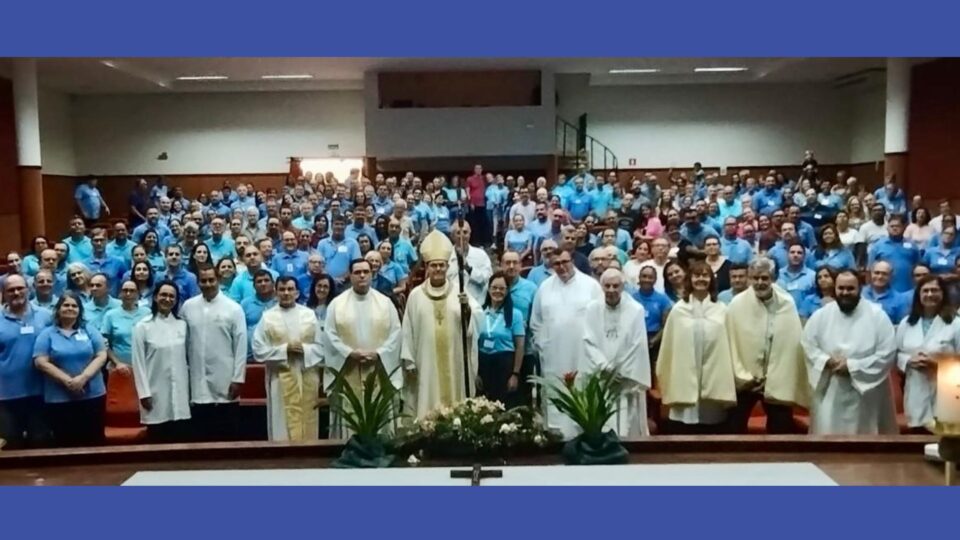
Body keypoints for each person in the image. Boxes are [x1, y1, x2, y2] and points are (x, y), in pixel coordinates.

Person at [801, 270, 898, 435]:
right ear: (835, 288)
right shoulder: (821, 315)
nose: (845, 293)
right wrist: (827, 361)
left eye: (850, 288)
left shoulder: (878, 316)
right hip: (831, 386)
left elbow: (887, 352)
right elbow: (808, 344)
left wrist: (852, 366)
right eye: (841, 288)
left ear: (860, 288)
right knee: (828, 434)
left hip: (867, 393)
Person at [401, 231, 483, 421]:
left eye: (441, 265)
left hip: (455, 360)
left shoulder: (460, 292)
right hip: (425, 362)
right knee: (427, 400)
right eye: (433, 265)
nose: (438, 269)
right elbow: (408, 329)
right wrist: (409, 360)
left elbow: (473, 324)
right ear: (427, 268)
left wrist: (467, 311)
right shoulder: (416, 295)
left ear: (447, 267)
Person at [725, 257, 809, 434]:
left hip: (777, 379)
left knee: (782, 428)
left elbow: (791, 344)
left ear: (773, 279)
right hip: (745, 380)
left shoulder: (786, 303)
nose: (760, 282)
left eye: (765, 278)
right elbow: (731, 343)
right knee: (733, 427)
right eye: (755, 278)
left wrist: (773, 376)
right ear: (749, 279)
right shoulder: (736, 304)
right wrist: (745, 377)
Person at [529, 246, 603, 438]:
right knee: (555, 399)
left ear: (572, 261)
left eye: (564, 262)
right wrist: (542, 345)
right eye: (556, 264)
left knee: (582, 396)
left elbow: (601, 320)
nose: (561, 267)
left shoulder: (591, 286)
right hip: (553, 356)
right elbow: (536, 322)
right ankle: (556, 439)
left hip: (583, 356)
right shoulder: (544, 288)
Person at [324, 258, 403, 437]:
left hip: (378, 369)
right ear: (350, 276)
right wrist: (349, 353)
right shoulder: (337, 304)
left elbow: (396, 334)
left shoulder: (385, 303)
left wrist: (379, 353)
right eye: (357, 272)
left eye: (365, 272)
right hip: (348, 369)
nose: (362, 276)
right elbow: (329, 336)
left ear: (371, 274)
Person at [656, 261, 736, 434]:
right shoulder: (678, 310)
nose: (701, 279)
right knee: (683, 428)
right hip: (684, 375)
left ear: (711, 280)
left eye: (705, 275)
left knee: (711, 428)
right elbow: (668, 348)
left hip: (713, 377)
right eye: (697, 275)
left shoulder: (722, 310)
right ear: (689, 279)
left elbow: (730, 345)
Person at [180, 265, 247, 442]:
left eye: (211, 280)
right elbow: (183, 341)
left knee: (226, 433)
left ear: (218, 280)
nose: (208, 284)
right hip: (197, 378)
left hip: (225, 378)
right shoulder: (188, 306)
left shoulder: (233, 308)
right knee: (200, 434)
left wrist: (238, 378)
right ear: (198, 282)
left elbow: (241, 345)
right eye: (204, 280)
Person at [251, 276, 323, 441]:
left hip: (306, 373)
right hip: (280, 377)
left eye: (290, 289)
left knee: (307, 420)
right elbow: (258, 350)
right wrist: (284, 350)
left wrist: (304, 349)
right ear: (276, 292)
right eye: (282, 290)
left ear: (297, 293)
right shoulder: (268, 317)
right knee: (282, 422)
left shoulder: (309, 315)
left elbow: (321, 347)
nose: (286, 293)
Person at [33, 292, 108, 447]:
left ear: (80, 310)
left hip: (92, 395)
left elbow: (101, 355)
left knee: (94, 442)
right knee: (65, 443)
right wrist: (68, 381)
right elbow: (40, 361)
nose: (70, 308)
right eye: (66, 305)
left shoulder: (89, 330)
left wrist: (83, 378)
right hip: (59, 398)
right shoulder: (47, 334)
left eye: (74, 306)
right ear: (58, 309)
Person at [583, 269, 651, 437]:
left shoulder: (636, 310)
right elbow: (588, 340)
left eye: (616, 286)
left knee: (628, 420)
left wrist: (620, 371)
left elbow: (638, 344)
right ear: (601, 286)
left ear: (623, 287)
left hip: (626, 378)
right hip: (602, 376)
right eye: (607, 286)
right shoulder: (592, 309)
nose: (611, 290)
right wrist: (605, 367)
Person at [895, 276, 960, 432]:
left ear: (943, 294)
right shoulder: (906, 323)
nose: (930, 294)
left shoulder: (956, 323)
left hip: (946, 395)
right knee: (917, 440)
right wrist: (910, 361)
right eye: (925, 291)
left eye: (935, 290)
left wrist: (939, 364)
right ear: (918, 295)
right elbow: (897, 353)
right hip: (915, 392)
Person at [131, 281, 191, 443]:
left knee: (180, 439)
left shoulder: (182, 325)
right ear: (156, 297)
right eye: (163, 295)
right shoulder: (143, 327)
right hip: (154, 393)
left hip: (180, 392)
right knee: (158, 440)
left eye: (172, 296)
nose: (167, 299)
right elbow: (138, 363)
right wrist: (144, 394)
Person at [0, 276, 53, 449]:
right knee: (11, 446)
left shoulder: (46, 316)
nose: (16, 293)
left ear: (28, 290)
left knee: (41, 442)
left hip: (40, 393)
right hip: (6, 396)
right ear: (3, 294)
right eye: (10, 290)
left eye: (20, 288)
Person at [475, 273, 526, 409]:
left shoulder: (515, 315)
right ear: (488, 289)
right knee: (482, 407)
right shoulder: (480, 312)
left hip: (504, 365)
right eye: (494, 287)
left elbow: (520, 346)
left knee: (504, 407)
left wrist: (515, 374)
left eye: (502, 288)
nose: (497, 291)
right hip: (484, 363)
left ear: (507, 291)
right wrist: (476, 372)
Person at [100, 280, 151, 371]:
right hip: (119, 367)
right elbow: (104, 343)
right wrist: (117, 363)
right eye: (125, 290)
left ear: (138, 294)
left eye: (132, 291)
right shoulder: (111, 315)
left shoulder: (147, 313)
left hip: (144, 366)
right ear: (120, 293)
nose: (128, 293)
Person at [867, 215, 920, 294]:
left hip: (908, 290)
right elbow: (869, 270)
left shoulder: (912, 245)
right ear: (887, 228)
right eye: (892, 226)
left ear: (904, 227)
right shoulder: (877, 246)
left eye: (898, 226)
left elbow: (918, 267)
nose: (894, 228)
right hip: (884, 290)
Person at [446, 220, 493, 303]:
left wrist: (468, 269)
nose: (462, 236)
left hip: (476, 303)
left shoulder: (481, 255)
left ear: (470, 234)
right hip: (453, 303)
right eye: (458, 233)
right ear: (452, 236)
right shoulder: (446, 256)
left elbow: (487, 279)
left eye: (465, 232)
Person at [240, 270, 278, 360]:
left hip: (275, 354)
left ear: (273, 283)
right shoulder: (245, 304)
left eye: (266, 280)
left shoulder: (280, 302)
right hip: (250, 356)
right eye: (259, 281)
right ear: (254, 286)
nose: (263, 284)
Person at [776, 241, 816, 306]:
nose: (795, 255)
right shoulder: (778, 275)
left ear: (804, 256)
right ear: (787, 255)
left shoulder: (812, 276)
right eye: (792, 252)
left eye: (799, 253)